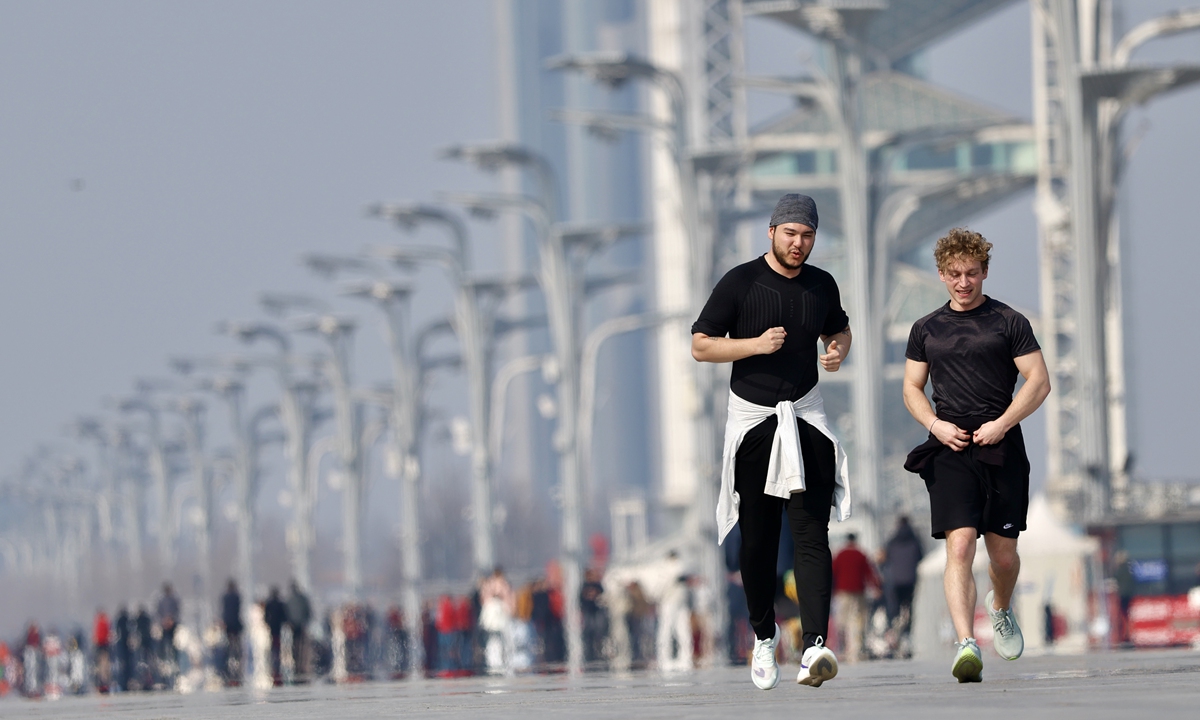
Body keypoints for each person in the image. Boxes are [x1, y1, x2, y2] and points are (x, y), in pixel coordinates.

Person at [692, 193, 852, 690]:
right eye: (790, 234)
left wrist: (836, 352)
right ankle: (764, 638)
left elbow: (841, 329)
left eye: (806, 235)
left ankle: (815, 647)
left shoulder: (821, 285)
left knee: (811, 535)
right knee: (757, 540)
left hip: (806, 416)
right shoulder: (740, 282)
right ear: (771, 232)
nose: (798, 243)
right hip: (754, 422)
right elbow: (700, 344)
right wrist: (754, 346)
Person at [902, 227, 1051, 683]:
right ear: (942, 275)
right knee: (960, 544)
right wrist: (934, 425)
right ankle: (967, 643)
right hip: (950, 446)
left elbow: (1039, 381)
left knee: (1003, 557)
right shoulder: (926, 328)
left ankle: (1000, 609)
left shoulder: (1009, 322)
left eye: (971, 273)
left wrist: (1002, 424)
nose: (963, 282)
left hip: (1001, 443)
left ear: (984, 271)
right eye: (954, 274)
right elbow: (912, 388)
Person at [831, 533, 879, 663]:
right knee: (858, 620)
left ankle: (844, 648)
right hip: (859, 592)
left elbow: (833, 572)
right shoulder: (861, 554)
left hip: (842, 592)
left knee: (843, 621)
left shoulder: (840, 554)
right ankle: (856, 649)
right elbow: (869, 572)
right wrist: (876, 586)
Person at [880, 515, 924, 650]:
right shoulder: (915, 540)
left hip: (895, 580)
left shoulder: (892, 541)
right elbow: (920, 556)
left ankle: (893, 630)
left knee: (894, 606)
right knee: (909, 606)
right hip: (910, 579)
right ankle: (906, 635)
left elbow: (884, 558)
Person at [285, 580, 312, 679]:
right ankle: (301, 664)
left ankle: (297, 663)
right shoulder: (302, 599)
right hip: (301, 625)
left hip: (294, 625)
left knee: (295, 645)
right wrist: (305, 622)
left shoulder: (289, 600)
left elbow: (286, 612)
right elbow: (308, 611)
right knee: (302, 646)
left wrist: (289, 622)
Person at [220, 579, 244, 684]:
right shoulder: (237, 597)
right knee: (237, 643)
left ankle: (228, 659)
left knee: (228, 643)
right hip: (236, 623)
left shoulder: (225, 597)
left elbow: (224, 611)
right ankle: (237, 658)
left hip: (228, 623)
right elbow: (238, 609)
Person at [263, 586, 287, 684]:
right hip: (278, 627)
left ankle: (274, 658)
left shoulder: (269, 603)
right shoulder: (280, 604)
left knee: (273, 643)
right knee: (277, 643)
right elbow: (284, 615)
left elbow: (266, 616)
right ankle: (277, 658)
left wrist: (268, 623)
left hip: (272, 627)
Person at [156, 583, 180, 665]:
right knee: (163, 642)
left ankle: (174, 659)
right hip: (164, 624)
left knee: (174, 642)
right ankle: (163, 659)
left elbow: (177, 611)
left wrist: (171, 619)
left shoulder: (174, 599)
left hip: (172, 623)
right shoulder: (161, 600)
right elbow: (158, 612)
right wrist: (163, 620)